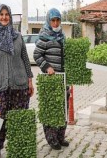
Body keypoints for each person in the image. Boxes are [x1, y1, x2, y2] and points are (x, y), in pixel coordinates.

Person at [0, 4, 34, 158]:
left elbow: (25, 59)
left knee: (18, 119)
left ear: (10, 17)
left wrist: (30, 80)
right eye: (1, 14)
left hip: (19, 85)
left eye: (6, 14)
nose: (4, 17)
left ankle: (19, 150)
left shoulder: (17, 37)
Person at [33, 8, 70, 150]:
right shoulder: (44, 36)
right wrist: (47, 67)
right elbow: (37, 55)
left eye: (57, 20)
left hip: (62, 80)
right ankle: (51, 139)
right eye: (53, 20)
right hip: (50, 80)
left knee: (62, 108)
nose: (55, 23)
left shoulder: (62, 36)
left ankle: (60, 137)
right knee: (51, 109)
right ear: (48, 21)